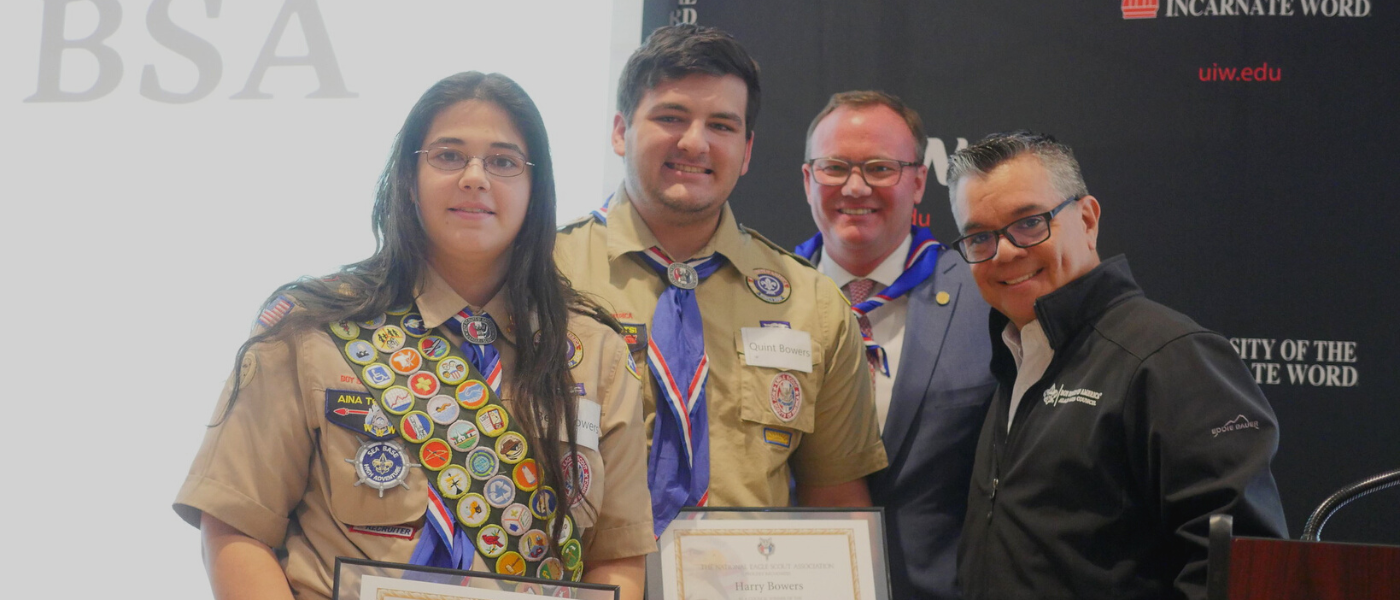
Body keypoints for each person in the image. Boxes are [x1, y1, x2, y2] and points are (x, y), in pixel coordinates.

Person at [174, 72, 654, 600]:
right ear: (408, 176)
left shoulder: (595, 353)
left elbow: (616, 558)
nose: (475, 177)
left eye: (503, 161)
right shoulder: (312, 329)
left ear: (535, 189)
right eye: (449, 156)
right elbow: (236, 527)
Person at [555, 24, 887, 538]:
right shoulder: (542, 275)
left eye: (722, 125)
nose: (695, 142)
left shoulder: (813, 304)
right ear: (620, 131)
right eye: (670, 117)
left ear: (748, 149)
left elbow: (837, 501)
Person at [947, 131, 1288, 600]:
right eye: (979, 237)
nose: (1004, 252)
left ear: (1086, 219)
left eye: (1029, 223)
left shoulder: (1169, 356)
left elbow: (1235, 572)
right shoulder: (1017, 353)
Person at [793, 91, 995, 600]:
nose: (855, 187)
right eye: (834, 167)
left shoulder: (989, 298)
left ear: (919, 180)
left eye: (880, 167)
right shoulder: (757, 297)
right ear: (807, 179)